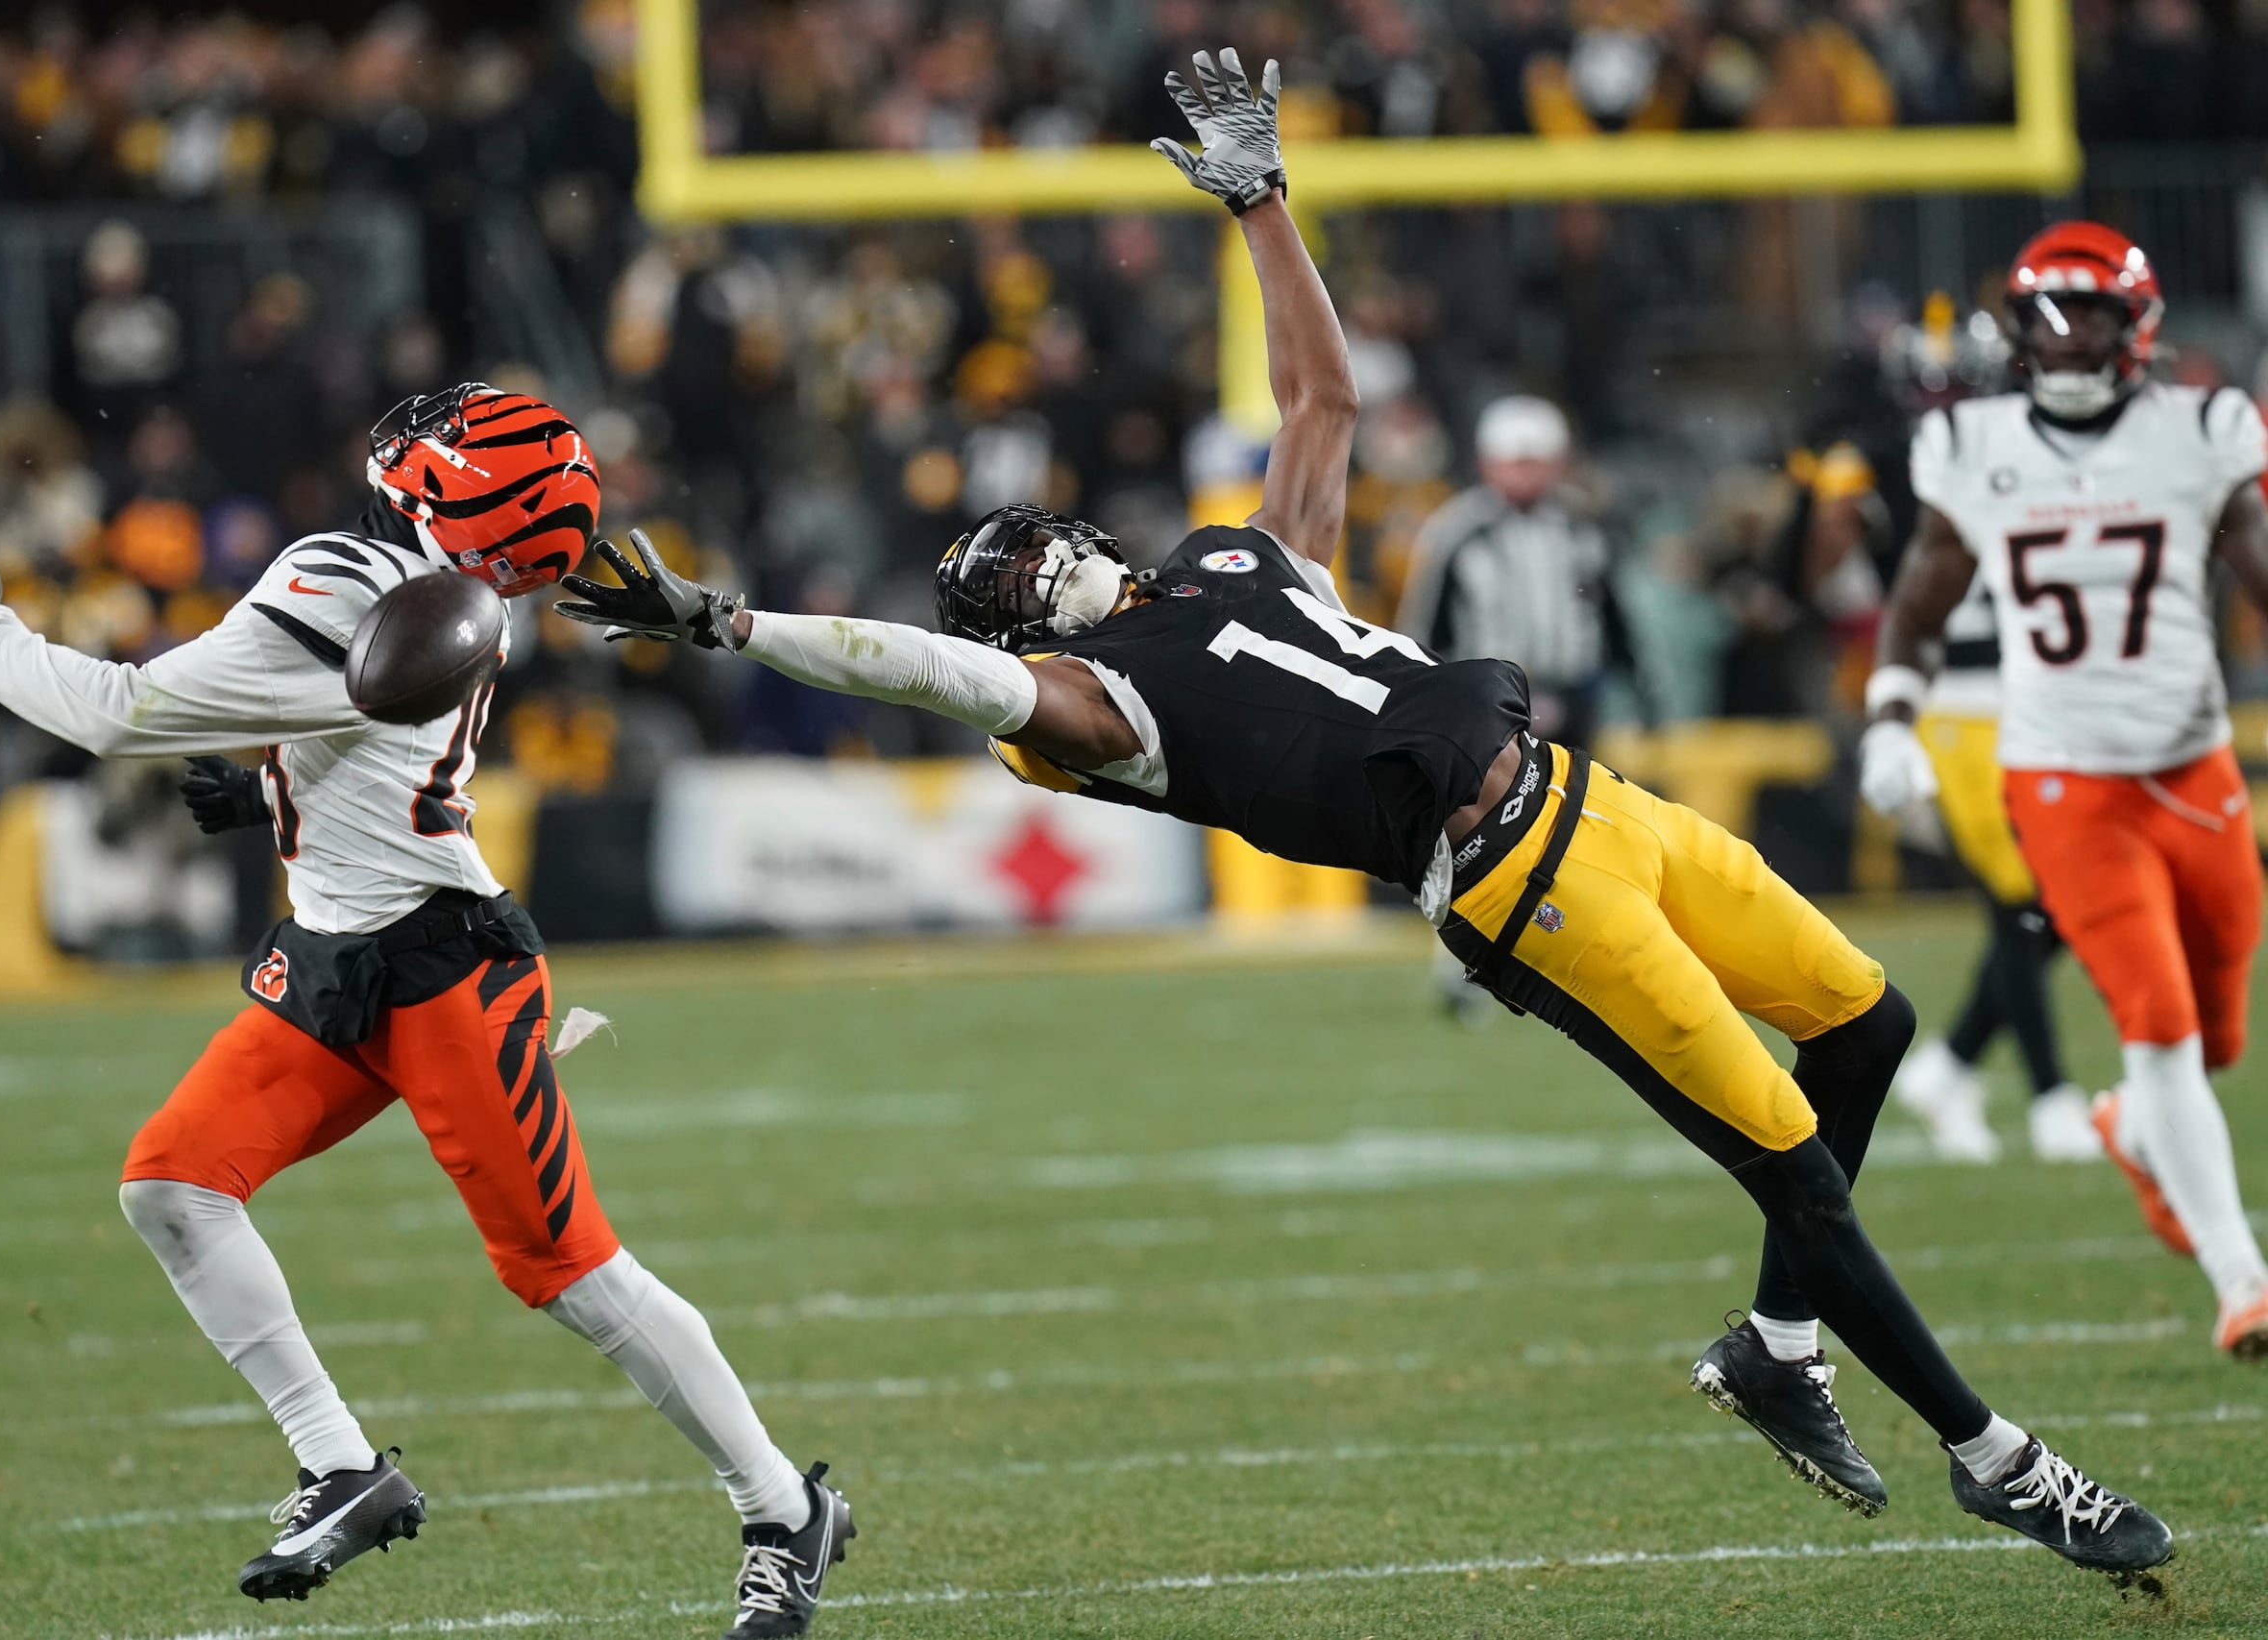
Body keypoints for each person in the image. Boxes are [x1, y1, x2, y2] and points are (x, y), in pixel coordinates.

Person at [558, 52, 2171, 1581]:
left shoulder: (1233, 557)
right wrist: (725, 619)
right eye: (1002, 594)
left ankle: (1778, 1346)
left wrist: (1263, 203)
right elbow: (922, 674)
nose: (1027, 570)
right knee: (1795, 1169)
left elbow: (1320, 400)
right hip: (1523, 889)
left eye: (1023, 547)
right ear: (1014, 641)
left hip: (1603, 800)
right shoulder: (1086, 714)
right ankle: (1998, 1455)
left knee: (1869, 1032)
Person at [0, 384, 854, 1639]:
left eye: (449, 449)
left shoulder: (351, 575)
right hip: (341, 945)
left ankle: (784, 1507)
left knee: (567, 1270)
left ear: (463, 502)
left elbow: (117, 713)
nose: (414, 444)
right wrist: (275, 802)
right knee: (174, 1181)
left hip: (448, 970)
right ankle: (341, 1465)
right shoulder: (446, 597)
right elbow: (377, 727)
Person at [1863, 221, 2268, 1361]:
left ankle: (2134, 1133)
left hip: (2191, 770)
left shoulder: (2199, 432)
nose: (2067, 337)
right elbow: (1924, 593)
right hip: (2061, 778)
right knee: (2159, 1026)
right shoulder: (1972, 445)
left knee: (2216, 1036)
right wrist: (1890, 715)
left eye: (2089, 314)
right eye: (2047, 315)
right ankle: (2241, 1279)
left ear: (2135, 327)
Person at [1836, 301, 2100, 1164]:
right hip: (1951, 705)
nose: (1950, 403)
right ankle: (2051, 1091)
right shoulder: (1883, 467)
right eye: (1936, 387)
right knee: (2026, 899)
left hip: (2036, 698)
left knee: (2054, 901)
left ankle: (1949, 1064)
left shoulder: (2029, 454)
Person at [1395, 394, 1634, 753]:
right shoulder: (1459, 528)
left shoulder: (1582, 527)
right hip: (1487, 698)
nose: (1523, 475)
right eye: (1513, 463)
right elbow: (1427, 621)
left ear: (1558, 463)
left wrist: (1630, 689)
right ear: (1487, 464)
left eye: (1534, 463)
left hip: (1573, 696)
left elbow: (1612, 613)